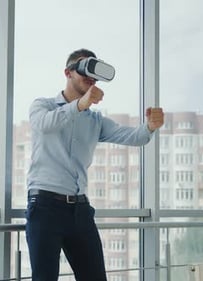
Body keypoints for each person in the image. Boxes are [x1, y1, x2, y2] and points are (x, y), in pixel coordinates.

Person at [25, 48, 164, 281]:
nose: (90, 77)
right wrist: (80, 104)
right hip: (45, 207)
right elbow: (43, 125)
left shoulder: (95, 120)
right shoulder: (43, 105)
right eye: (84, 69)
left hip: (80, 212)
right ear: (68, 73)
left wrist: (150, 126)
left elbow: (133, 137)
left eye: (94, 72)